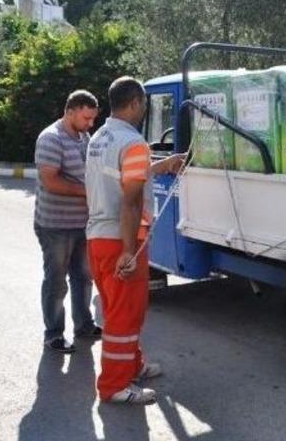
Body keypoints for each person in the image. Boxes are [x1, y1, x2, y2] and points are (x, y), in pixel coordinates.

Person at [85, 76, 185, 405]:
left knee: (124, 309)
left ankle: (132, 366)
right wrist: (128, 250)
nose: (143, 109)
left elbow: (125, 177)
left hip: (99, 237)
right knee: (123, 316)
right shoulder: (133, 142)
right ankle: (114, 386)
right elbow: (129, 200)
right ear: (134, 104)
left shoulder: (101, 136)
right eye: (142, 103)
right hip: (120, 240)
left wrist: (162, 165)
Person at [34, 90, 103, 354]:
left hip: (82, 224)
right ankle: (53, 334)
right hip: (55, 225)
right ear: (71, 111)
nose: (90, 124)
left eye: (92, 119)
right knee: (56, 281)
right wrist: (88, 191)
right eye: (86, 118)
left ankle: (84, 325)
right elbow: (51, 181)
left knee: (84, 277)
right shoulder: (51, 138)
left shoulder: (83, 137)